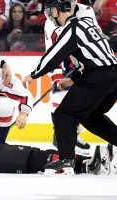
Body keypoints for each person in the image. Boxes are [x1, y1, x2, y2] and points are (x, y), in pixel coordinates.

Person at [22, 0, 117, 175]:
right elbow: (92, 57)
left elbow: (53, 56)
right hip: (112, 76)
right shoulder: (87, 23)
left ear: (58, 11)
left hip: (100, 77)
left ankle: (66, 161)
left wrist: (33, 74)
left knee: (63, 114)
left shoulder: (71, 28)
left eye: (51, 11)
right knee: (90, 116)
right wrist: (72, 79)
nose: (49, 16)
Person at [43, 0, 100, 155]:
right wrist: (57, 77)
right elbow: (51, 51)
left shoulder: (86, 11)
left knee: (87, 103)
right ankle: (62, 135)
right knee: (61, 97)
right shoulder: (50, 22)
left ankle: (74, 133)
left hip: (86, 61)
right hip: (67, 62)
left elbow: (94, 38)